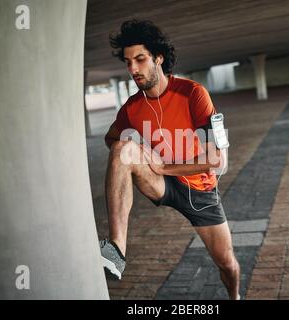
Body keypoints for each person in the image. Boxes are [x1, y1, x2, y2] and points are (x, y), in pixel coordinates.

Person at [100, 19, 240, 300]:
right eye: (128, 62)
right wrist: (140, 149)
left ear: (158, 57)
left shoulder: (192, 93)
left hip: (199, 191)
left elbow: (216, 157)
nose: (133, 69)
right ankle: (116, 249)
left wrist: (165, 165)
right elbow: (110, 139)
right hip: (161, 182)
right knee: (120, 150)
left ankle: (235, 296)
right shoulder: (132, 107)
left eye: (140, 59)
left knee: (227, 263)